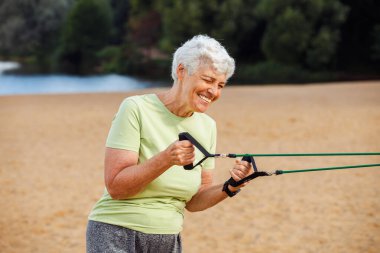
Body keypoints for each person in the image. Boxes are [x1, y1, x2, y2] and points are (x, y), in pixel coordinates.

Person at [86, 35, 253, 253]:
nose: (214, 91)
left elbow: (194, 201)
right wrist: (166, 159)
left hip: (168, 240)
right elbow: (117, 187)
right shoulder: (136, 108)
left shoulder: (208, 126)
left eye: (220, 84)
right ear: (182, 71)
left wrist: (231, 186)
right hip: (117, 232)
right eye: (208, 80)